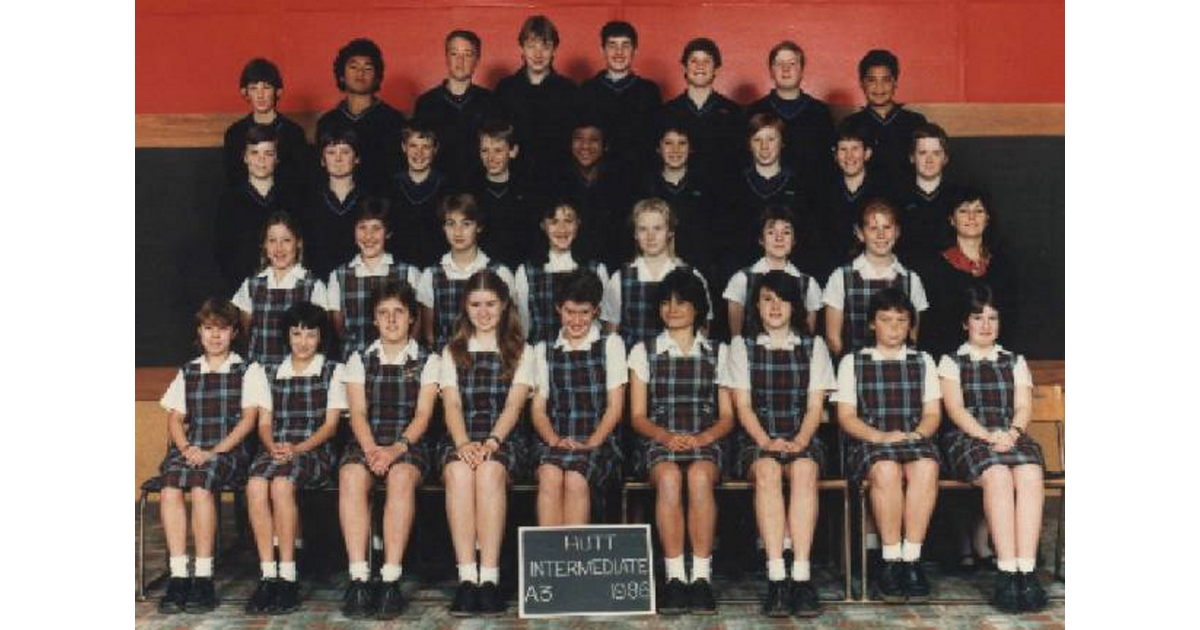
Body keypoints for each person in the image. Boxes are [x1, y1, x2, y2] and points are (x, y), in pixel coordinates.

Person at [724, 271, 836, 617]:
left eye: (783, 299)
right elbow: (742, 407)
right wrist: (767, 441)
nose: (775, 307)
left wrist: (800, 441)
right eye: (767, 299)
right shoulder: (741, 346)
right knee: (769, 472)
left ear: (795, 306)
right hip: (759, 437)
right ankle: (776, 576)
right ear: (756, 305)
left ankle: (800, 577)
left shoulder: (813, 346)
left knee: (804, 471)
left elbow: (816, 407)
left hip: (802, 436)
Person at [628, 268, 735, 615]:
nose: (672, 309)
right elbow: (638, 416)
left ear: (697, 308)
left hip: (706, 437)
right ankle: (675, 577)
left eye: (681, 302)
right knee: (671, 479)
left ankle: (701, 578)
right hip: (660, 438)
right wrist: (667, 437)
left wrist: (701, 438)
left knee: (700, 478)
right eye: (666, 302)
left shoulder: (720, 351)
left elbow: (728, 416)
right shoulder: (643, 351)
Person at [937, 284, 1047, 612]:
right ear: (964, 323)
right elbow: (956, 411)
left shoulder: (1014, 361)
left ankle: (1025, 573)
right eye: (977, 317)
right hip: (969, 437)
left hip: (1010, 434)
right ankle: (1005, 573)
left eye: (992, 318)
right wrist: (988, 437)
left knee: (1029, 474)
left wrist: (1012, 432)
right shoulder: (951, 361)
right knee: (998, 476)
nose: (986, 325)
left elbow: (1023, 407)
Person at [155, 300, 268, 614]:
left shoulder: (247, 370)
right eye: (208, 329)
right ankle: (179, 575)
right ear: (199, 333)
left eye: (222, 329)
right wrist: (186, 448)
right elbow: (176, 419)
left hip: (227, 451)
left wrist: (213, 451)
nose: (215, 336)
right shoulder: (189, 371)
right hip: (191, 449)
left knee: (201, 486)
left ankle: (203, 576)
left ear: (233, 333)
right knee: (170, 487)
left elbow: (248, 421)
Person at [338, 281, 440, 619]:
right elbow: (359, 413)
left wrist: (394, 450)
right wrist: (370, 451)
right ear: (374, 319)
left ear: (412, 317)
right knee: (351, 476)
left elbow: (423, 414)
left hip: (408, 444)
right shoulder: (359, 359)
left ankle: (390, 580)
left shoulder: (428, 360)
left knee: (399, 479)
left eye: (399, 312)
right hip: (367, 442)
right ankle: (359, 578)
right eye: (384, 313)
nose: (392, 320)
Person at [832, 287, 941, 603]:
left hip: (912, 439)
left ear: (910, 325)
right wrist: (880, 437)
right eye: (885, 320)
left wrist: (917, 435)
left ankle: (912, 559)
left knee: (927, 466)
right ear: (871, 324)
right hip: (871, 442)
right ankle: (890, 561)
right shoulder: (854, 362)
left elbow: (933, 413)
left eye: (901, 320)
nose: (894, 327)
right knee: (887, 471)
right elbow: (847, 417)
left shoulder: (923, 361)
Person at [438, 270, 535, 617]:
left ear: (504, 304)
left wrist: (492, 441)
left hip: (503, 438)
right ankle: (467, 578)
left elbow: (514, 405)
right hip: (462, 435)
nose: (483, 312)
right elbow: (451, 404)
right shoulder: (452, 351)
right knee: (461, 474)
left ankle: (490, 577)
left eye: (490, 304)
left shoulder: (523, 351)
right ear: (465, 307)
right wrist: (463, 444)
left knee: (490, 473)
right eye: (475, 304)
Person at [244, 302, 348, 615]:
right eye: (296, 333)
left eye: (310, 334)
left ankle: (288, 575)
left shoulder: (333, 370)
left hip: (313, 451)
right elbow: (264, 422)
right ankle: (268, 574)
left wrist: (297, 448)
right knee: (255, 484)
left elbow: (330, 427)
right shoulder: (268, 370)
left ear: (321, 337)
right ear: (287, 336)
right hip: (277, 448)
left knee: (281, 484)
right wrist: (273, 444)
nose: (303, 342)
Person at [531, 269, 627, 525]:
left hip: (598, 441)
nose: (576, 320)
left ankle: (572, 560)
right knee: (550, 475)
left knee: (575, 477)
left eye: (584, 313)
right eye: (569, 312)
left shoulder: (611, 344)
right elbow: (538, 409)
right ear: (558, 309)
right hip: (555, 439)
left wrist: (591, 443)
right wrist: (554, 440)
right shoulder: (544, 349)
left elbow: (615, 407)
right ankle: (551, 558)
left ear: (596, 311)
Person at [920, 187, 1018, 360]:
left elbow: (1011, 321)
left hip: (994, 361)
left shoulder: (1004, 266)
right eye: (964, 211)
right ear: (951, 219)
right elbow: (929, 328)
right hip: (945, 362)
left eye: (979, 211)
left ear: (987, 218)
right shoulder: (933, 268)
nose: (971, 217)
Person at [601, 198, 712, 350]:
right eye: (643, 229)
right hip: (631, 367)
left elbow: (702, 332)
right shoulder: (620, 279)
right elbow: (610, 337)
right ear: (635, 233)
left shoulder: (692, 276)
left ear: (670, 231)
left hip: (676, 366)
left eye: (657, 228)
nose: (650, 236)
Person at [822, 198, 928, 357]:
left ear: (897, 231)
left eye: (887, 227)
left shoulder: (912, 280)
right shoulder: (840, 277)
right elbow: (833, 339)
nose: (881, 235)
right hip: (853, 371)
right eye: (873, 228)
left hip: (898, 369)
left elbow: (912, 337)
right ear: (860, 234)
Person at [326, 198, 421, 362]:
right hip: (353, 360)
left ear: (388, 232)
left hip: (398, 358)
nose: (368, 236)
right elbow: (339, 327)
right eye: (362, 227)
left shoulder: (409, 273)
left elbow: (416, 321)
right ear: (354, 232)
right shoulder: (338, 276)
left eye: (376, 228)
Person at [417, 194, 514, 350]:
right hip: (446, 360)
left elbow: (509, 327)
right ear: (444, 227)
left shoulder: (500, 273)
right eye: (451, 224)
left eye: (466, 224)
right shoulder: (431, 275)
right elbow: (430, 335)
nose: (458, 231)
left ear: (479, 227)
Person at [231, 211, 327, 368]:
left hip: (298, 373)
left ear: (298, 243)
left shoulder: (313, 286)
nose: (279, 248)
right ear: (265, 245)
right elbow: (244, 333)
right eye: (272, 241)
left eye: (286, 240)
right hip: (259, 374)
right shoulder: (251, 285)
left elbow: (320, 337)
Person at [494, 15, 578, 191]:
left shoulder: (569, 90)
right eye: (531, 46)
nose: (538, 54)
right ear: (522, 49)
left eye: (545, 46)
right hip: (514, 181)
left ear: (554, 50)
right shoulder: (505, 89)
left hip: (559, 180)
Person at [215, 125, 301, 293]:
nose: (261, 160)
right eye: (255, 153)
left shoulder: (291, 199)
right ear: (245, 157)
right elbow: (223, 251)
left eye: (268, 154)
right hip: (242, 288)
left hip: (287, 286)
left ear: (277, 158)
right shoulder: (230, 200)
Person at [316, 38, 406, 192]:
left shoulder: (393, 120)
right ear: (341, 75)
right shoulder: (328, 122)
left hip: (380, 204)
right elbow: (319, 175)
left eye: (368, 68)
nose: (360, 73)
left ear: (377, 77)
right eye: (353, 66)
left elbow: (399, 174)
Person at [514, 200, 609, 345]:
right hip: (542, 353)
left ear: (578, 224)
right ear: (543, 226)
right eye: (554, 222)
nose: (562, 229)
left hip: (587, 352)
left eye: (568, 221)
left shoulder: (597, 269)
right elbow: (524, 325)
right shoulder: (526, 272)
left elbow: (602, 322)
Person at [723, 206, 823, 338]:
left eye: (786, 233)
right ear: (761, 239)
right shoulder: (741, 280)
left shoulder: (809, 284)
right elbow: (736, 338)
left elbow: (807, 337)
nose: (779, 238)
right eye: (771, 232)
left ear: (794, 240)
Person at [414, 30, 498, 186]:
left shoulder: (491, 102)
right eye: (454, 54)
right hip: (436, 189)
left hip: (480, 188)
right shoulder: (427, 103)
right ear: (446, 58)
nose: (460, 61)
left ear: (477, 60)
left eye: (468, 54)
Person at [746, 41, 835, 186]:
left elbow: (828, 164)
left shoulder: (819, 112)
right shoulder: (755, 110)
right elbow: (745, 161)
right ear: (771, 71)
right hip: (766, 193)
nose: (785, 69)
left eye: (792, 63)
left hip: (810, 195)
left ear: (802, 70)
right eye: (779, 64)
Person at [658, 38, 746, 185]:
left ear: (716, 68)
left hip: (722, 193)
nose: (700, 66)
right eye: (694, 61)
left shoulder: (733, 112)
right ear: (685, 67)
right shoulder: (666, 112)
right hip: (681, 195)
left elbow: (741, 163)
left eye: (706, 61)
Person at [579, 21, 662, 171]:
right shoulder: (587, 90)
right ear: (602, 50)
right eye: (612, 45)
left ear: (635, 50)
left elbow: (656, 142)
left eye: (625, 45)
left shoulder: (649, 91)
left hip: (639, 176)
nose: (619, 52)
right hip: (596, 177)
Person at [817, 121, 895, 279]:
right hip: (832, 271)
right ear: (835, 154)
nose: (849, 156)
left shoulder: (885, 191)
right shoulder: (822, 192)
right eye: (843, 149)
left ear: (867, 153)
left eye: (855, 149)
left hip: (876, 269)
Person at [840, 49, 928, 186]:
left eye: (886, 80)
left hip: (907, 199)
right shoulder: (850, 124)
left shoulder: (915, 122)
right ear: (862, 83)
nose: (879, 87)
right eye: (871, 80)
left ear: (895, 82)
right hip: (865, 202)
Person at [551, 119, 632, 267]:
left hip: (612, 267)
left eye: (594, 140)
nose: (585, 146)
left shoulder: (621, 185)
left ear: (605, 146)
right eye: (578, 139)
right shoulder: (557, 183)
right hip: (569, 265)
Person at [466, 118, 542, 269]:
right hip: (481, 269)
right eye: (485, 151)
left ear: (513, 151)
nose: (491, 158)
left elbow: (534, 240)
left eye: (498, 150)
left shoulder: (527, 192)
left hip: (520, 269)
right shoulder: (471, 192)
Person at [222, 58, 309, 190]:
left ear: (278, 91)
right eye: (254, 88)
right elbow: (233, 181)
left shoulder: (294, 133)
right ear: (245, 93)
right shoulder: (235, 133)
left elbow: (301, 182)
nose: (260, 95)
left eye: (266, 87)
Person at [301, 127, 367, 279]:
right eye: (331, 152)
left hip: (360, 281)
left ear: (357, 158)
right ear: (323, 160)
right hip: (320, 281)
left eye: (345, 152)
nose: (338, 159)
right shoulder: (309, 200)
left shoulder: (368, 200)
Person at [386, 120, 449, 267]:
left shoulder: (446, 186)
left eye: (426, 147)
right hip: (399, 265)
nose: (419, 153)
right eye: (413, 145)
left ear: (435, 149)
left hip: (438, 264)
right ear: (404, 147)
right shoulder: (391, 186)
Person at [898, 123, 959, 266]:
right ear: (912, 157)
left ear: (945, 158)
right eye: (923, 153)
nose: (929, 160)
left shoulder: (959, 199)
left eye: (936, 153)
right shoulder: (897, 199)